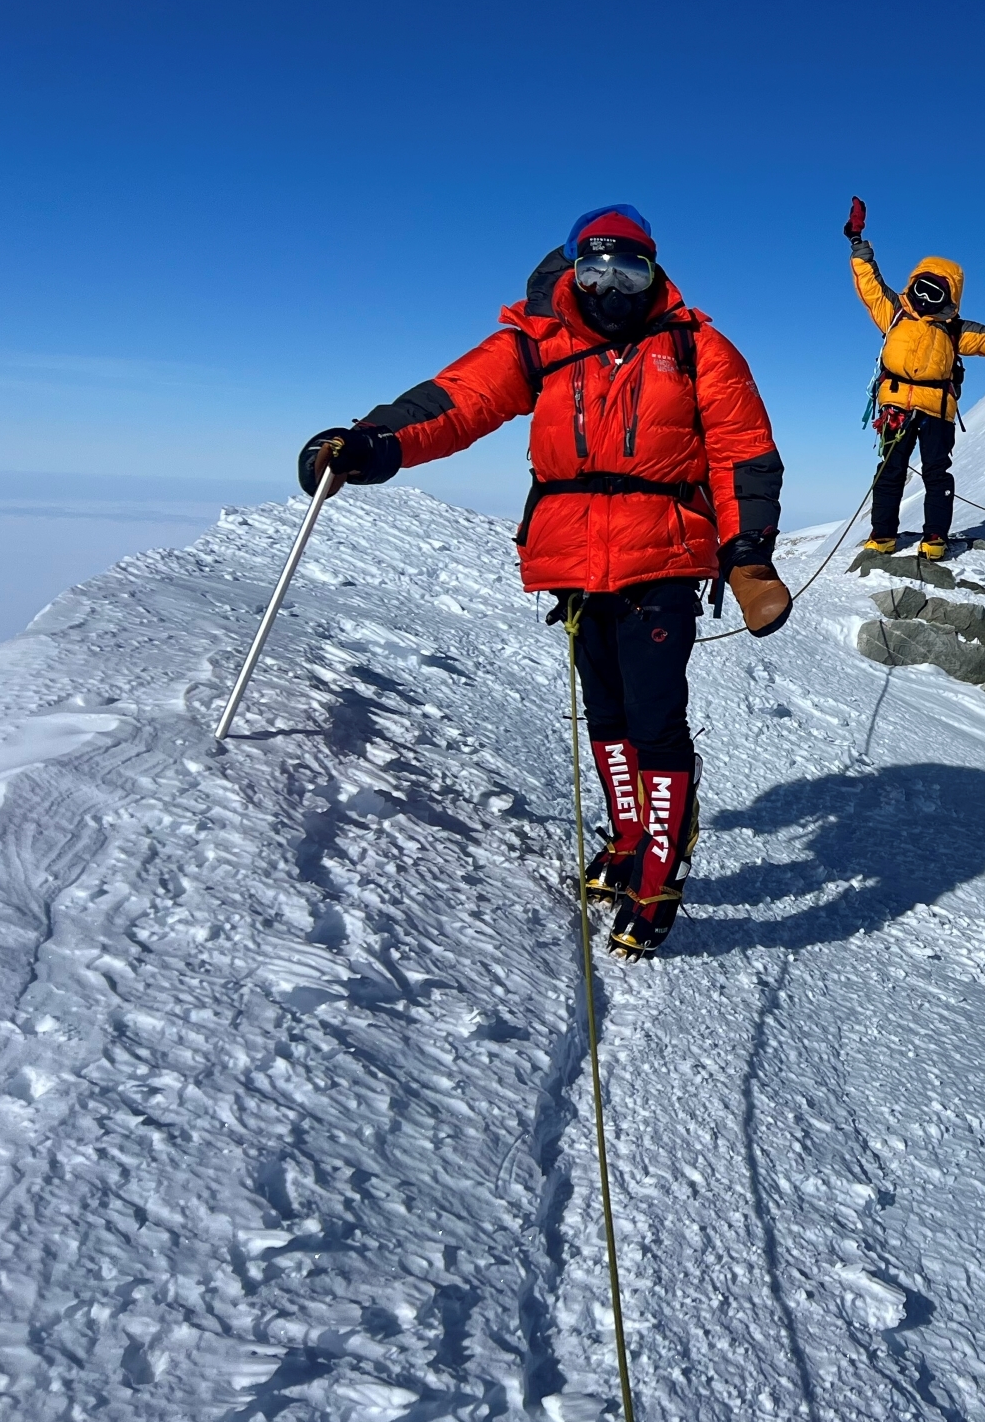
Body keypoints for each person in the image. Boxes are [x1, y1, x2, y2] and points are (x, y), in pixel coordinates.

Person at [295, 204, 788, 961]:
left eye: (632, 269)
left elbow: (741, 450)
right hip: (574, 563)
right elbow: (460, 399)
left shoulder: (696, 346)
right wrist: (373, 443)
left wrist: (746, 554)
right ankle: (628, 839)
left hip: (662, 559)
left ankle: (658, 870)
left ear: (655, 273)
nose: (613, 286)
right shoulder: (539, 343)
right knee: (606, 712)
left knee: (653, 720)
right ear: (571, 270)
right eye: (595, 268)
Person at [847, 198, 985, 559]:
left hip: (935, 409)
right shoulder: (895, 313)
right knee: (890, 472)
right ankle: (882, 535)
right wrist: (857, 242)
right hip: (898, 405)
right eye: (922, 289)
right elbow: (869, 281)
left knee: (935, 474)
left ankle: (934, 539)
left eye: (936, 292)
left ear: (950, 296)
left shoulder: (954, 330)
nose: (927, 298)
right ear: (913, 285)